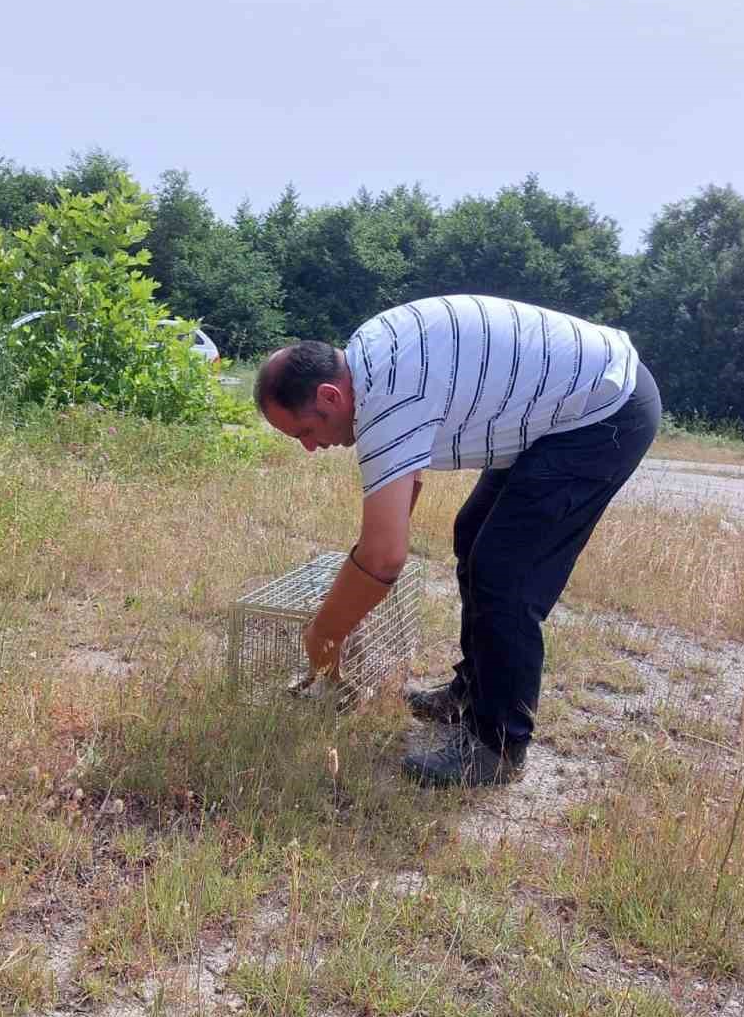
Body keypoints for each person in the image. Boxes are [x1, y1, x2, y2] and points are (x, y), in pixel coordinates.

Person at [254, 294, 661, 786]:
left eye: (306, 431)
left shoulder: (386, 396)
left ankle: (496, 746)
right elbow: (406, 493)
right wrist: (360, 586)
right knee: (474, 533)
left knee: (504, 572)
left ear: (329, 396)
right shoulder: (371, 357)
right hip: (565, 404)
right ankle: (471, 691)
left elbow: (384, 557)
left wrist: (324, 633)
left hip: (602, 411)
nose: (310, 447)